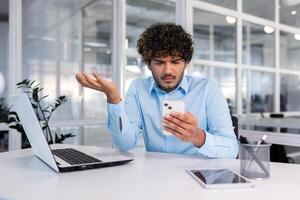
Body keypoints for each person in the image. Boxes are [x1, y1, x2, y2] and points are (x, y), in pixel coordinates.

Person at [75, 23, 238, 158]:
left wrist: (197, 136)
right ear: (149, 63)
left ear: (186, 62)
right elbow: (125, 144)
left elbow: (232, 150)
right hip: (154, 178)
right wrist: (113, 100)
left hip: (199, 177)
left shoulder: (207, 90)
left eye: (175, 62)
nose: (168, 70)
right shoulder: (138, 88)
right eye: (159, 62)